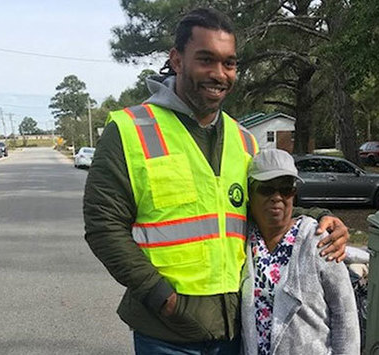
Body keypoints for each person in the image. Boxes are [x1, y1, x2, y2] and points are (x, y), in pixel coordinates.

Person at [83, 7, 350, 354]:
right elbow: (103, 226)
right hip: (166, 333)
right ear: (177, 60)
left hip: (237, 330)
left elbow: (259, 205)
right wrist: (161, 297)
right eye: (206, 60)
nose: (219, 74)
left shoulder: (244, 140)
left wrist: (320, 219)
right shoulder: (129, 130)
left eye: (229, 63)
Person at [241, 149, 360, 355]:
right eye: (266, 189)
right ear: (250, 193)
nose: (277, 197)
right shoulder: (244, 239)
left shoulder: (318, 240)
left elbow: (345, 315)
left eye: (286, 189)